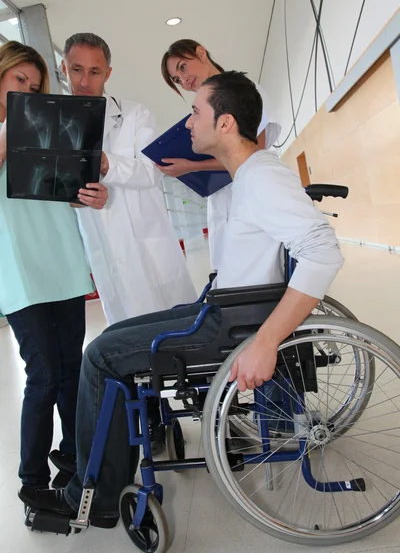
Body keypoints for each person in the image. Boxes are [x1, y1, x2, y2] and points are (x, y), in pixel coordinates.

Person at [19, 71, 344, 525]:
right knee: (112, 337)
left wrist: (266, 343)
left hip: (232, 324)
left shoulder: (263, 178)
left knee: (100, 356)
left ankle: (90, 499)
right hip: (224, 309)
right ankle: (103, 483)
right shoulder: (245, 175)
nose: (188, 124)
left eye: (196, 112)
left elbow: (323, 252)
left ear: (225, 123)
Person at [0, 41, 108, 498]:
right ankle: (32, 483)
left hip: (61, 262)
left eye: (36, 84)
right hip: (20, 272)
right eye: (20, 80)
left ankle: (72, 456)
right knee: (42, 375)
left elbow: (65, 191)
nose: (28, 89)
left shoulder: (47, 129)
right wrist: (13, 131)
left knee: (69, 371)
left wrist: (92, 188)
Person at [62, 33, 196, 325]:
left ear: (107, 73)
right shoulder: (57, 126)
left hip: (148, 248)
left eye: (94, 71)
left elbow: (151, 172)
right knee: (129, 342)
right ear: (64, 68)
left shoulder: (135, 115)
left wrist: (107, 164)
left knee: (178, 332)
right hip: (107, 255)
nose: (85, 81)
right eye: (76, 70)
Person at [160, 39, 281, 270]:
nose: (183, 80)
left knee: (256, 271)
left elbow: (254, 151)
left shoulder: (245, 92)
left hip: (252, 192)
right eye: (176, 79)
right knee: (229, 272)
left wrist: (191, 166)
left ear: (202, 53)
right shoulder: (203, 110)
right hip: (222, 195)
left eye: (183, 67)